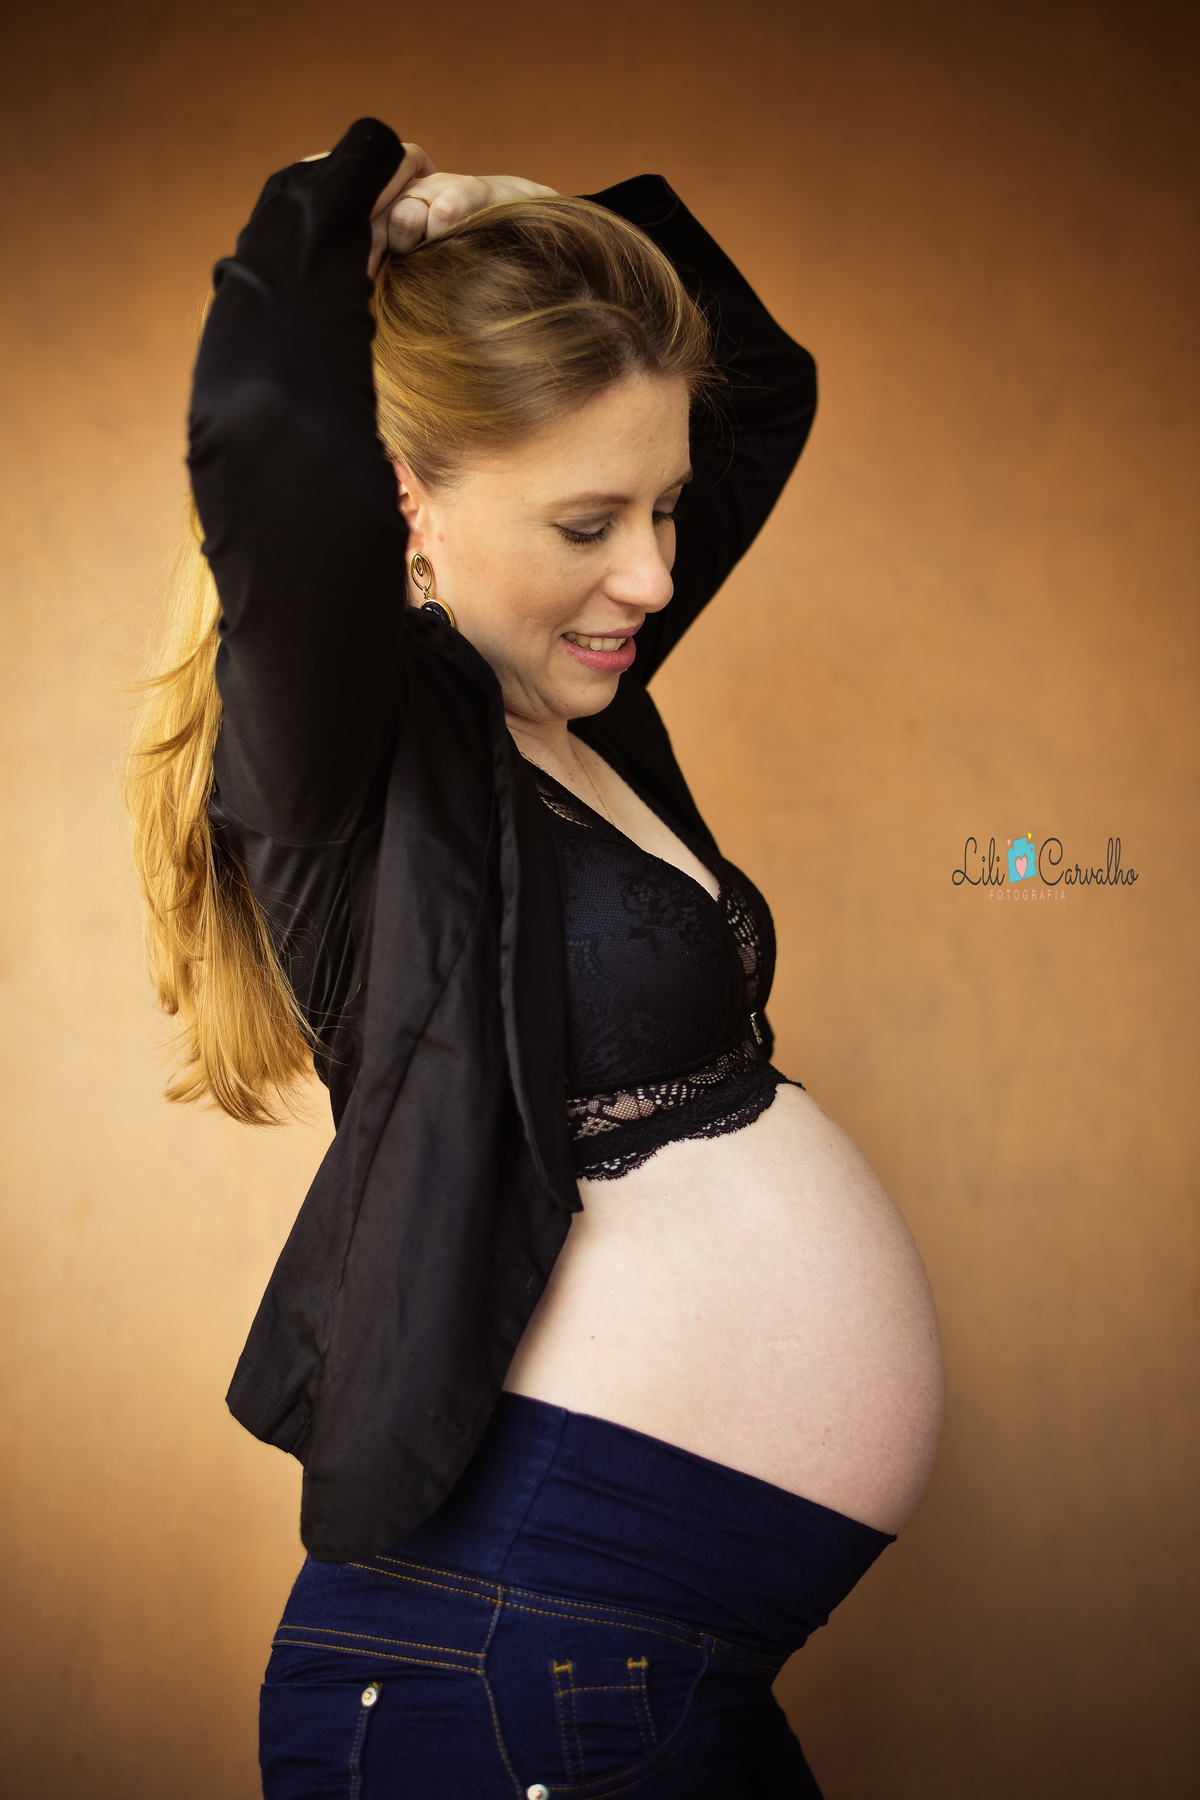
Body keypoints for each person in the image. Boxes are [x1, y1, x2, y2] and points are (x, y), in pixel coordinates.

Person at [129, 117, 943, 1798]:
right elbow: (265, 430)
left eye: (661, 509)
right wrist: (348, 199)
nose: (648, 571)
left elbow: (756, 383)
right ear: (404, 502)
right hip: (510, 1649)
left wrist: (534, 223)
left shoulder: (575, 708)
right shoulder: (347, 764)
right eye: (592, 521)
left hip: (622, 1657)